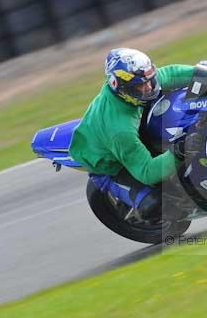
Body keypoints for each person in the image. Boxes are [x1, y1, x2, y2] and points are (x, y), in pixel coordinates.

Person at [69, 48, 195, 219]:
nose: (148, 88)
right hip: (110, 163)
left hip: (124, 128)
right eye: (140, 86)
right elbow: (147, 172)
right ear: (118, 86)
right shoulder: (120, 130)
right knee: (156, 205)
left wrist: (206, 74)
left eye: (149, 81)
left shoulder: (139, 85)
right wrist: (181, 150)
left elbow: (171, 74)